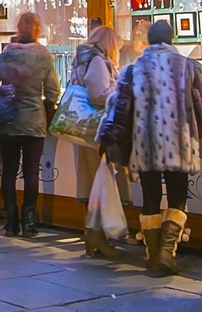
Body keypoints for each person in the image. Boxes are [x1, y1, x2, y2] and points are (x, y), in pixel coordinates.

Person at [120, 20, 202, 276]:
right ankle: (166, 253)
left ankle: (152, 256)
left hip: (145, 143)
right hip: (178, 144)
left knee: (150, 198)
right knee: (177, 197)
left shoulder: (133, 69)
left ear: (149, 41)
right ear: (172, 40)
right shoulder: (189, 67)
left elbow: (121, 108)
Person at [0, 12, 61, 238]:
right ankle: (29, 223)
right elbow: (53, 92)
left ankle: (11, 223)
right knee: (31, 171)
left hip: (7, 119)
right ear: (38, 29)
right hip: (34, 120)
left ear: (18, 28)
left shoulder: (5, 56)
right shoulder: (44, 56)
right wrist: (41, 107)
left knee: (9, 171)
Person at [70, 25, 122, 258]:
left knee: (91, 182)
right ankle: (96, 235)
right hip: (95, 130)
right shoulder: (98, 61)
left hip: (81, 127)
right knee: (98, 183)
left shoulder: (81, 59)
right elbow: (98, 94)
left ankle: (93, 235)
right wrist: (118, 90)